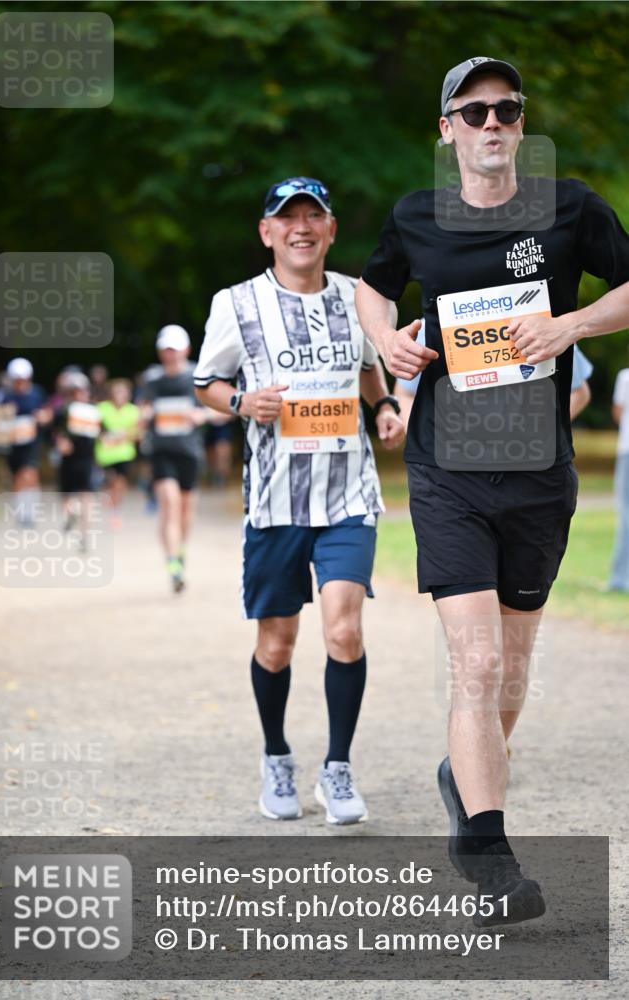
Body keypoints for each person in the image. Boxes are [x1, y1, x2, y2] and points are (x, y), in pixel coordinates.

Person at [355, 57, 629, 923]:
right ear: (446, 129)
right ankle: (489, 855)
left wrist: (569, 324)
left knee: (509, 667)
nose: (489, 124)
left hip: (540, 472)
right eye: (471, 112)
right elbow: (370, 288)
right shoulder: (413, 216)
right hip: (445, 469)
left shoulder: (570, 207)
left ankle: (461, 780)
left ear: (519, 122)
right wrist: (384, 348)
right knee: (473, 662)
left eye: (505, 109)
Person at [195, 176, 404, 825]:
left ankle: (337, 768)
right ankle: (276, 755)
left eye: (314, 216)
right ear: (267, 232)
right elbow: (207, 381)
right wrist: (239, 402)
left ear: (331, 230)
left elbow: (371, 365)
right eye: (288, 218)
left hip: (348, 493)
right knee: (277, 643)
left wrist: (387, 405)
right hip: (275, 500)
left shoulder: (355, 296)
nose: (301, 227)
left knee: (343, 629)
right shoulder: (235, 303)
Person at [139, 325, 210, 593]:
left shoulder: (197, 377)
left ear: (186, 350)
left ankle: (179, 552)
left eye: (175, 349)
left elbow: (221, 410)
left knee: (185, 511)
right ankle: (173, 566)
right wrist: (143, 414)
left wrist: (202, 416)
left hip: (189, 453)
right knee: (169, 503)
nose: (170, 354)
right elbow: (143, 406)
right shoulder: (152, 379)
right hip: (161, 451)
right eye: (166, 349)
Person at [396, 339, 594, 429]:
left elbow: (579, 391)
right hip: (450, 469)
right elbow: (405, 392)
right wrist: (421, 433)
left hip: (528, 467)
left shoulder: (543, 328)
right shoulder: (431, 329)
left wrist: (542, 428)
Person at [0, 358, 51, 526]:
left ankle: (30, 512)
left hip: (32, 442)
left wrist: (43, 417)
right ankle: (21, 512)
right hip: (13, 444)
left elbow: (46, 413)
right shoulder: (4, 396)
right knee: (18, 477)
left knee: (29, 473)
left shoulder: (37, 393)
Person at [54, 372, 101, 550]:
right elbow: (53, 431)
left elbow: (102, 431)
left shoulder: (95, 410)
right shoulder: (64, 410)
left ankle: (84, 536)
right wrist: (60, 441)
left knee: (86, 497)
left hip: (87, 459)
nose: (79, 394)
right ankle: (71, 515)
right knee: (66, 497)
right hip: (68, 460)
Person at [96, 378, 141, 528]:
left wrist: (124, 436)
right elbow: (95, 428)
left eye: (123, 392)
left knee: (119, 483)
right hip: (105, 454)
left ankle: (116, 512)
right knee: (109, 482)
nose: (120, 395)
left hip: (124, 453)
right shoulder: (101, 408)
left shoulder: (133, 410)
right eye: (117, 391)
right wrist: (104, 436)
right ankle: (110, 502)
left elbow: (138, 433)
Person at [609, 363, 629, 591]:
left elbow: (618, 412)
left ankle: (620, 579)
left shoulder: (625, 376)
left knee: (625, 515)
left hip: (627, 451)